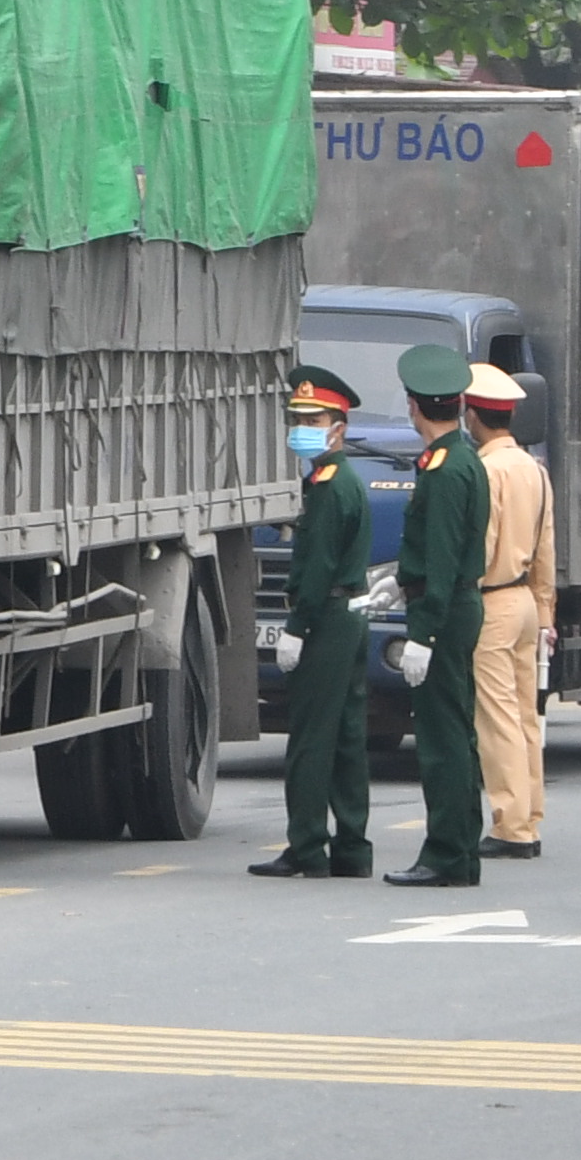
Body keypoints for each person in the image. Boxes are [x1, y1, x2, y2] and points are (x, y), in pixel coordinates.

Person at [248, 363, 373, 881]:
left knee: (311, 738)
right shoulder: (340, 481)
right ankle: (351, 848)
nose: (301, 426)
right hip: (350, 616)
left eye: (313, 417)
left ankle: (305, 846)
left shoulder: (328, 486)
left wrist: (296, 627)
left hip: (325, 619)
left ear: (338, 427)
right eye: (296, 416)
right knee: (345, 735)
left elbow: (318, 566)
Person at [385, 342, 490, 887]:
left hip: (443, 613)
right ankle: (461, 851)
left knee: (442, 739)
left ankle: (447, 852)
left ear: (413, 406)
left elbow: (445, 559)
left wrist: (422, 633)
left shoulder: (447, 470)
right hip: (448, 604)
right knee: (455, 733)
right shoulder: (457, 458)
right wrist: (398, 583)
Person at [466, 361, 557, 858]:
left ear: (473, 417)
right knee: (525, 716)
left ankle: (510, 825)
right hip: (525, 599)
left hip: (494, 599)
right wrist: (546, 614)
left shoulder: (488, 471)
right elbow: (546, 548)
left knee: (497, 718)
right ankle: (530, 815)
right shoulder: (533, 470)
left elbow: (483, 546)